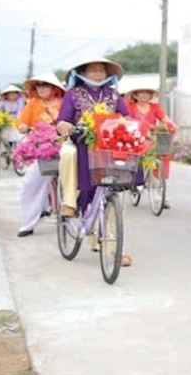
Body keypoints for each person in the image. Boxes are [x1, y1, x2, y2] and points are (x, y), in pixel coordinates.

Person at [55, 57, 134, 267]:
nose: (98, 74)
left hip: (106, 145)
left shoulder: (113, 95)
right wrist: (64, 125)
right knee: (67, 153)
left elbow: (127, 117)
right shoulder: (73, 94)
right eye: (93, 70)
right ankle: (69, 202)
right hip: (79, 141)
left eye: (102, 70)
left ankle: (112, 248)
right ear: (82, 73)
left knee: (114, 192)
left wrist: (132, 126)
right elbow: (63, 119)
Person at [14, 73, 66, 236]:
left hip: (65, 144)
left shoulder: (65, 102)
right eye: (38, 85)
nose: (42, 88)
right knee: (31, 182)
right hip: (41, 148)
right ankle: (28, 223)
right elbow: (22, 121)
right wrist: (23, 126)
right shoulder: (33, 104)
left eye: (46, 85)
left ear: (54, 88)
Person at [123, 81, 177, 209]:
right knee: (136, 157)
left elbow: (165, 119)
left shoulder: (155, 107)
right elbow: (126, 120)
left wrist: (171, 125)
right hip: (136, 137)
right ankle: (136, 182)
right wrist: (144, 127)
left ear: (151, 95)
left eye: (147, 93)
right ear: (135, 95)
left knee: (162, 155)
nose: (144, 95)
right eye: (141, 92)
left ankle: (160, 190)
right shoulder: (130, 107)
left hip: (152, 138)